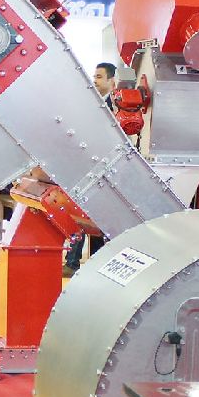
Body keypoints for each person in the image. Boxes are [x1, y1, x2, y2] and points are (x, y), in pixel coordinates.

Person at [65, 62, 119, 275]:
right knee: (79, 214)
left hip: (107, 169)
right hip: (86, 166)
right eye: (94, 76)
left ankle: (96, 264)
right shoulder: (90, 103)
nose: (94, 80)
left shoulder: (118, 106)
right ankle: (72, 262)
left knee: (101, 218)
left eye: (99, 77)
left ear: (111, 81)